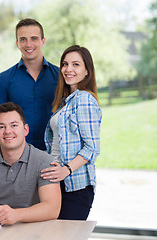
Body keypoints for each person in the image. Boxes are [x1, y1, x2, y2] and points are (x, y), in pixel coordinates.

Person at [41, 45, 102, 220]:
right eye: (65, 64)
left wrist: (66, 170)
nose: (68, 69)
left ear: (87, 71)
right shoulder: (65, 103)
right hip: (56, 183)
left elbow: (92, 148)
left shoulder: (84, 99)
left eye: (76, 64)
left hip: (76, 187)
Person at [0, 18, 59, 151]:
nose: (28, 44)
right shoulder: (4, 80)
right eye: (23, 39)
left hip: (54, 155)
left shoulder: (60, 77)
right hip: (17, 156)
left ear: (42, 41)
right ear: (17, 43)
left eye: (34, 38)